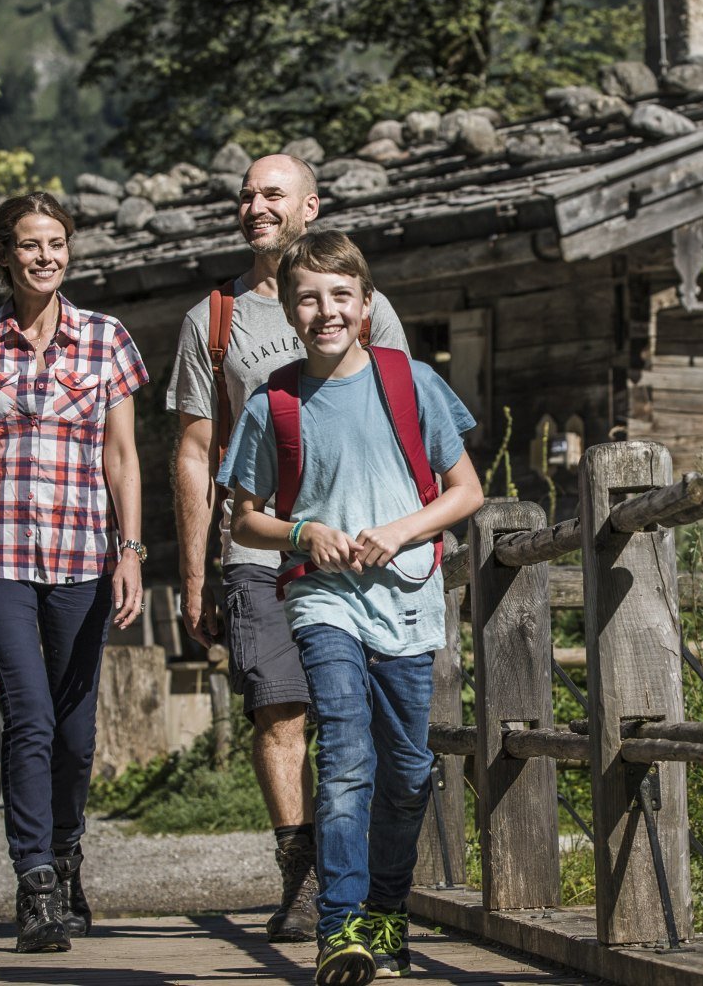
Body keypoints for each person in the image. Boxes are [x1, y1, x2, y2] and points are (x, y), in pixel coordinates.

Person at [222, 230, 482, 984]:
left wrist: (402, 530)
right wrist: (304, 530)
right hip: (322, 600)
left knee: (406, 771)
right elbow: (243, 518)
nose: (325, 311)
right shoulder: (276, 402)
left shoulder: (412, 384)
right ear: (290, 311)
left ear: (366, 306)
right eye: (308, 298)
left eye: (341, 296)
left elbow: (468, 490)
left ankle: (387, 911)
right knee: (343, 757)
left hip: (404, 602)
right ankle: (340, 927)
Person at [164, 153, 407, 941]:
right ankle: (303, 881)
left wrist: (405, 541)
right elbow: (196, 453)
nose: (255, 206)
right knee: (280, 714)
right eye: (245, 195)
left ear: (311, 205)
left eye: (272, 194)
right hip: (259, 553)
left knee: (357, 720)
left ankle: (359, 873)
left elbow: (401, 427)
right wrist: (195, 573)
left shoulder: (366, 308)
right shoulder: (215, 319)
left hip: (358, 554)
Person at [0, 192, 147, 954]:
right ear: (5, 253)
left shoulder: (106, 339)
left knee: (75, 730)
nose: (45, 257)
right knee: (27, 713)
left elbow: (122, 457)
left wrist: (131, 552)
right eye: (30, 245)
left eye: (56, 243)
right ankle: (33, 884)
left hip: (84, 556)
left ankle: (65, 855)